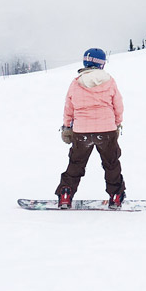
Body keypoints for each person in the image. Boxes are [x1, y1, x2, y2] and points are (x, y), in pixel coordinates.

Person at [55, 48, 127, 209]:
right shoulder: (109, 81)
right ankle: (115, 196)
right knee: (111, 164)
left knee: (76, 163)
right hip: (106, 130)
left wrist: (67, 126)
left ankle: (66, 194)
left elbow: (69, 107)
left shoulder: (76, 82)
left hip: (81, 132)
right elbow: (118, 105)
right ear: (101, 64)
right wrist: (117, 123)